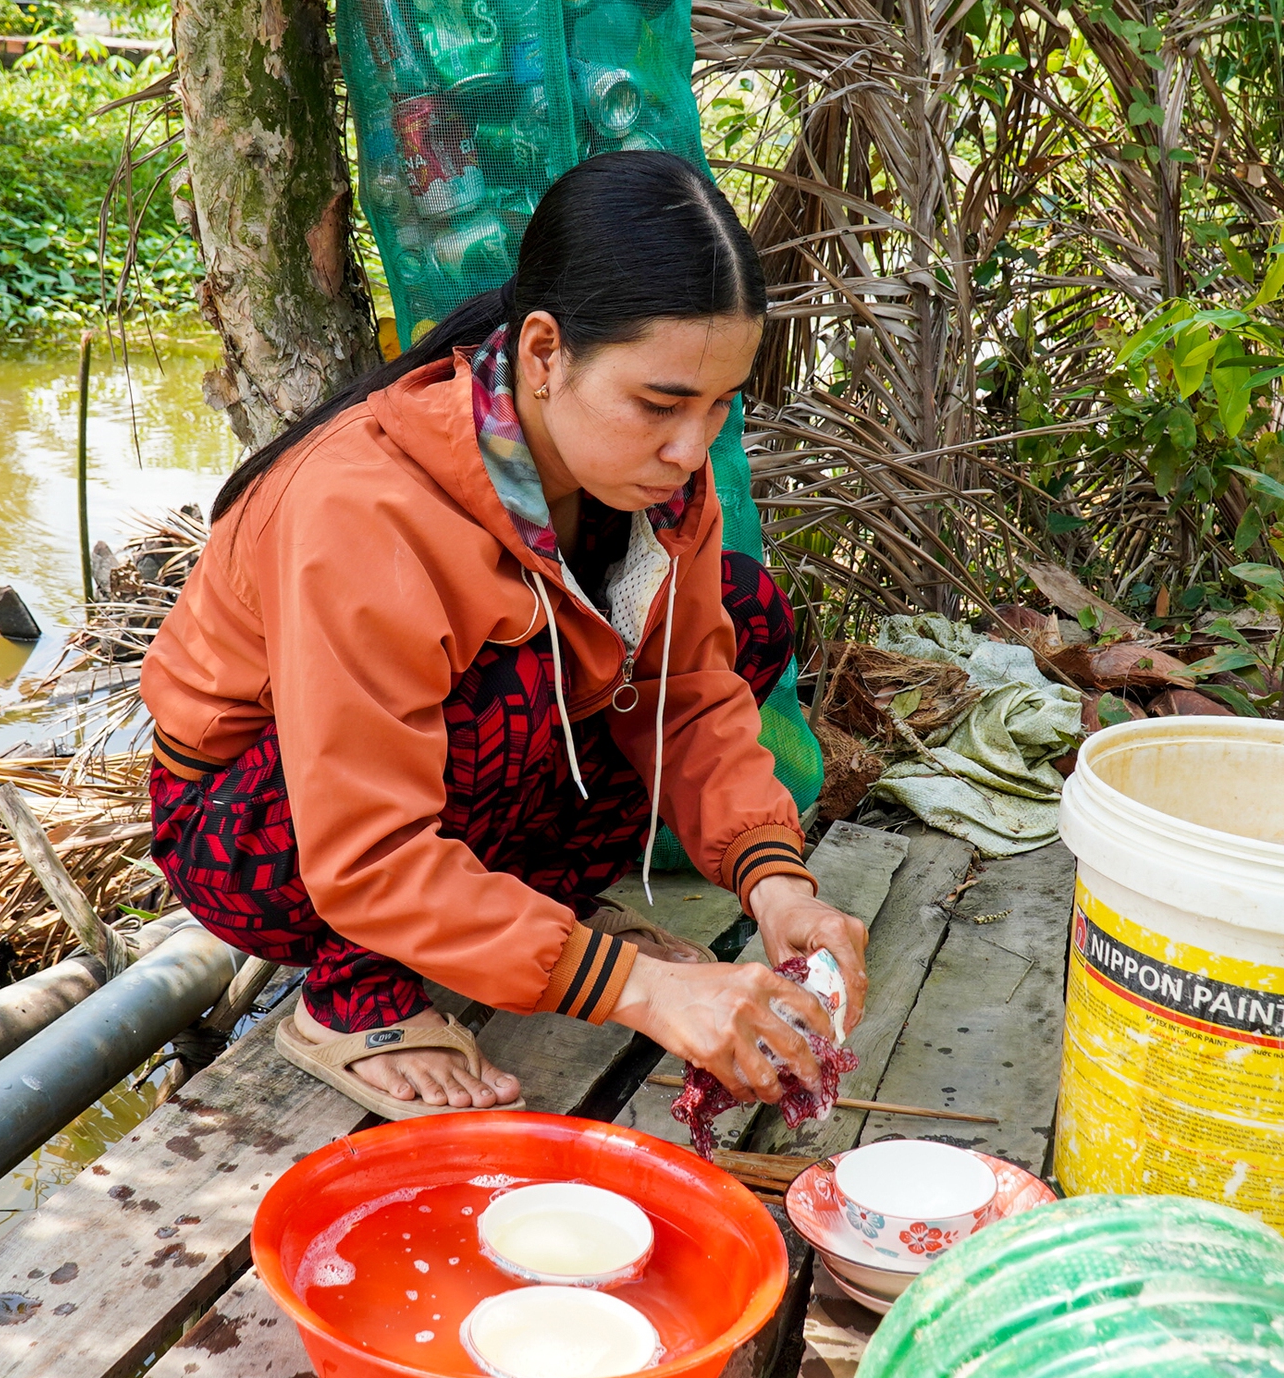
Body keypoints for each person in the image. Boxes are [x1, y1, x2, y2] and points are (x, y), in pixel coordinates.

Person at [141, 150, 869, 1121]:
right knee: (517, 680)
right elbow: (363, 845)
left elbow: (687, 694)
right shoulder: (367, 505)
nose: (689, 450)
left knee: (742, 613)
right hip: (262, 838)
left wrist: (776, 881)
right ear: (540, 355)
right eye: (658, 403)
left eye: (716, 405)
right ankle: (354, 1000)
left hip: (458, 788)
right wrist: (641, 989)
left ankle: (540, 928)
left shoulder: (664, 490)